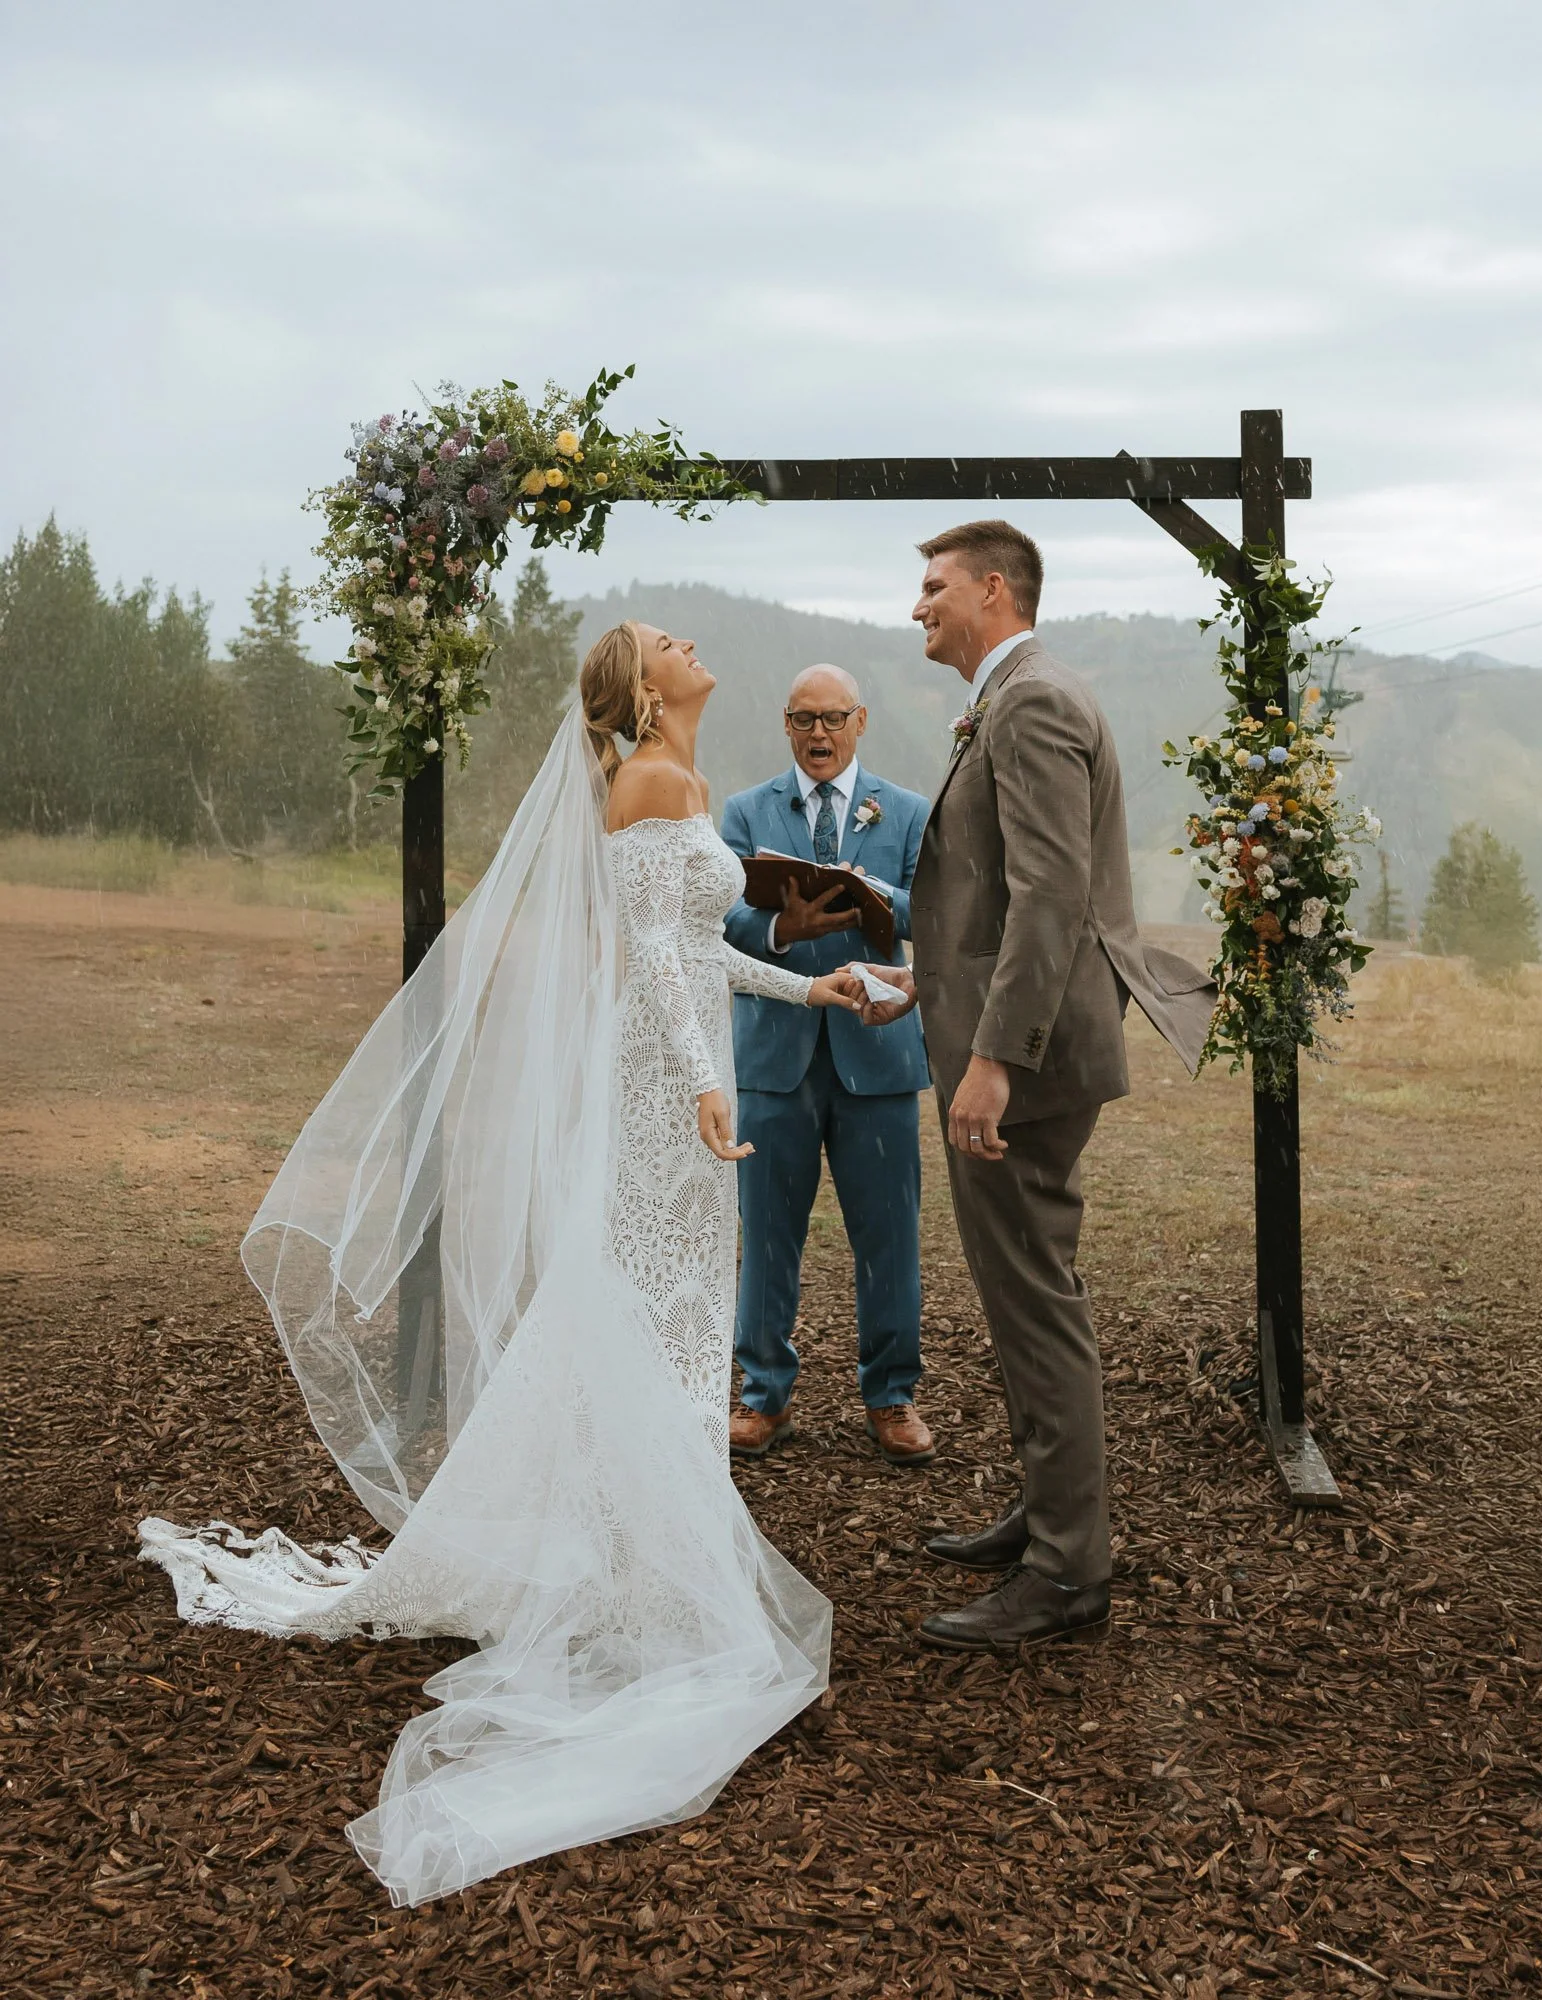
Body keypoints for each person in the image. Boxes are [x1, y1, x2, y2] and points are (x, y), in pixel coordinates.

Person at [138, 622, 862, 1906]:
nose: (692, 646)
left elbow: (694, 950)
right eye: (668, 643)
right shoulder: (656, 781)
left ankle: (653, 1563)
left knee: (676, 1327)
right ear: (647, 692)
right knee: (662, 1325)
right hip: (661, 1108)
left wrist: (821, 989)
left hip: (683, 1100)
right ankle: (658, 1586)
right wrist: (703, 1084)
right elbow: (643, 963)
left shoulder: (677, 786)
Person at [854, 521, 1215, 1650]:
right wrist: (928, 982)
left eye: (933, 586)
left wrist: (993, 1060)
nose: (917, 606)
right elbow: (999, 896)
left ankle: (1067, 1571)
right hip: (1004, 1036)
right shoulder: (1011, 698)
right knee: (1021, 1297)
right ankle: (1052, 1512)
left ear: (994, 591)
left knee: (1034, 1300)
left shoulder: (1034, 701)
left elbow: (1055, 897)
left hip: (1031, 1062)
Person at [719, 665, 934, 1465]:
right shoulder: (746, 811)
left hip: (876, 1052)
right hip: (775, 1052)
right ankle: (761, 1398)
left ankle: (892, 1398)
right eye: (803, 718)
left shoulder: (906, 811)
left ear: (861, 722)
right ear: (785, 724)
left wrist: (871, 891)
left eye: (833, 718)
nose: (818, 733)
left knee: (888, 1237)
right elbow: (724, 919)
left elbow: (930, 910)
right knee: (768, 1234)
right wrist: (784, 929)